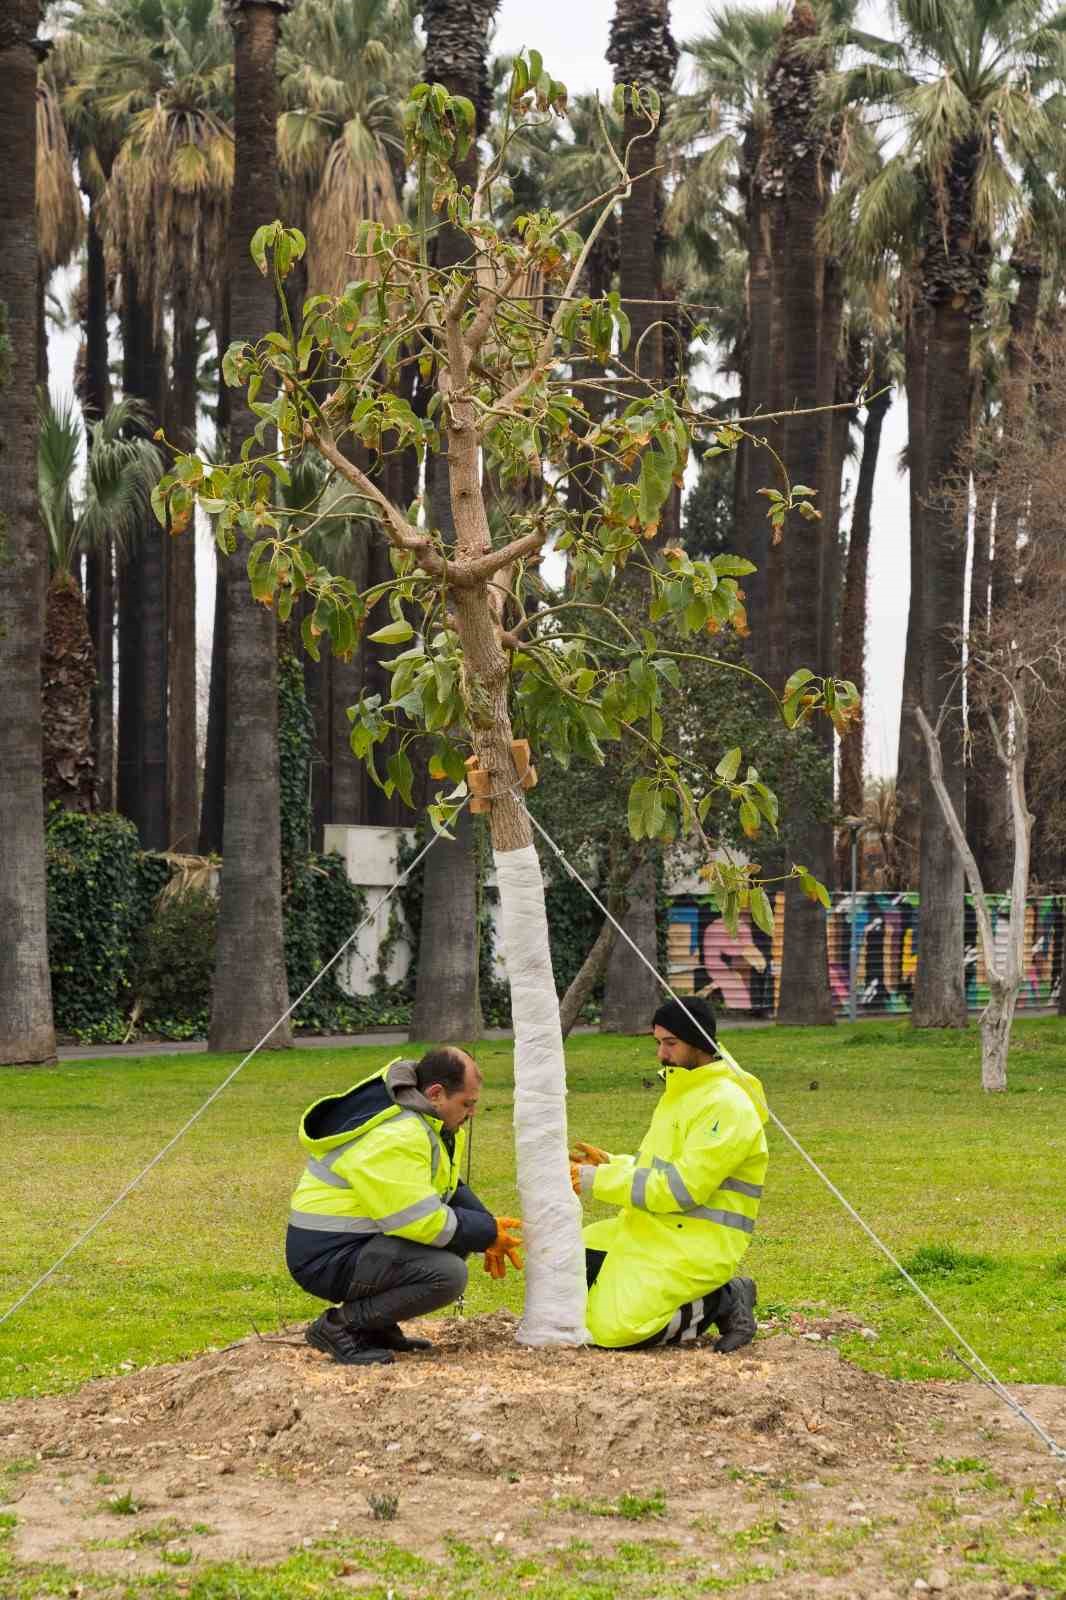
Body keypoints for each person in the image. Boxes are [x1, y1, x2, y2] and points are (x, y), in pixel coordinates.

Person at [287, 1046, 523, 1366]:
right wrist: (485, 1232)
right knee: (447, 1274)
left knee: (456, 1243)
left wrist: (486, 1225)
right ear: (436, 1093)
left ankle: (375, 1327)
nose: (472, 1113)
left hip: (347, 1242)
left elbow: (444, 1186)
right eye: (467, 1104)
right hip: (327, 1255)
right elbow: (418, 1220)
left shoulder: (425, 1118)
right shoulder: (400, 1133)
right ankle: (340, 1326)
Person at [570, 996, 767, 1353]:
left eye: (670, 1043)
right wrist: (611, 1164)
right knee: (565, 1260)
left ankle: (724, 1298)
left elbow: (680, 1189)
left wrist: (593, 1181)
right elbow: (661, 1170)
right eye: (659, 1042)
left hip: (694, 1245)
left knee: (616, 1330)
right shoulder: (682, 1091)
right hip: (654, 1229)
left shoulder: (727, 1105)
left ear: (699, 1042)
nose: (661, 1054)